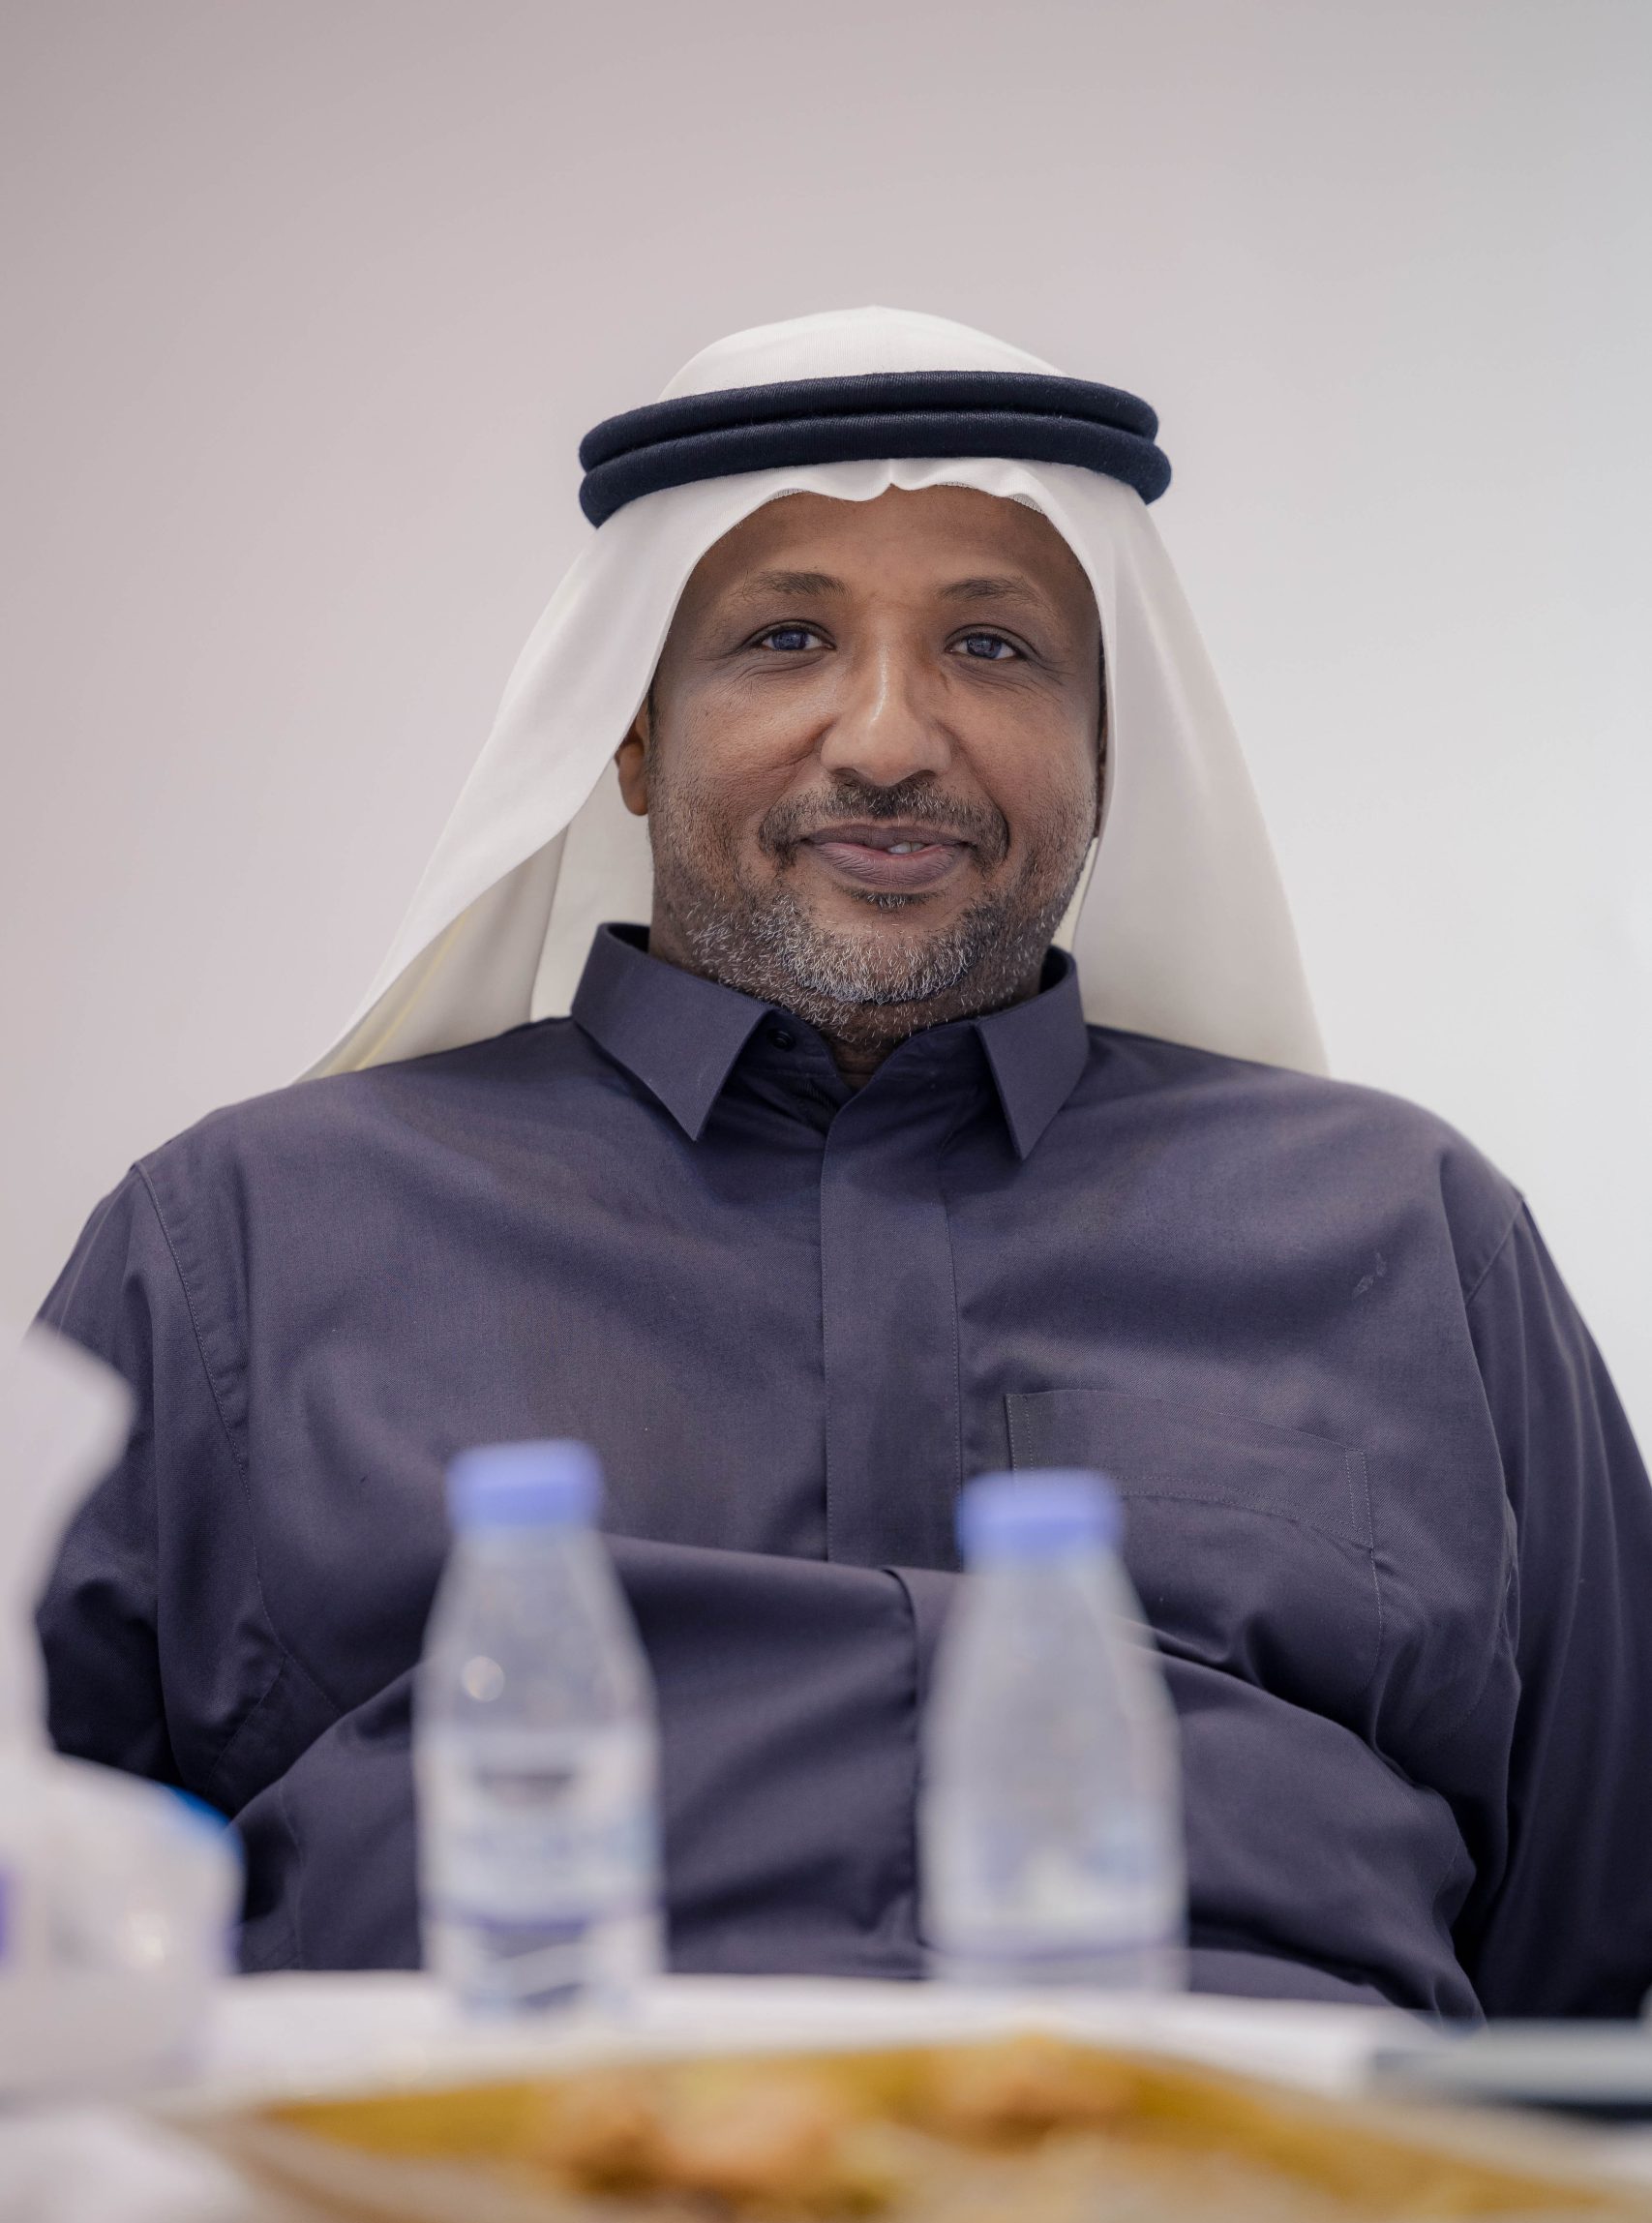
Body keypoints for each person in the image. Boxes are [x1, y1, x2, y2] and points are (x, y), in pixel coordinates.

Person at [36, 309, 1652, 2017]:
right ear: (631, 736)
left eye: (993, 647)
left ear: (1108, 756)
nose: (887, 742)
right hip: (493, 2169)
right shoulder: (245, 1240)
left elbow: (1606, 2009)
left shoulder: (1408, 1233)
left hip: (1252, 2176)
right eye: (787, 638)